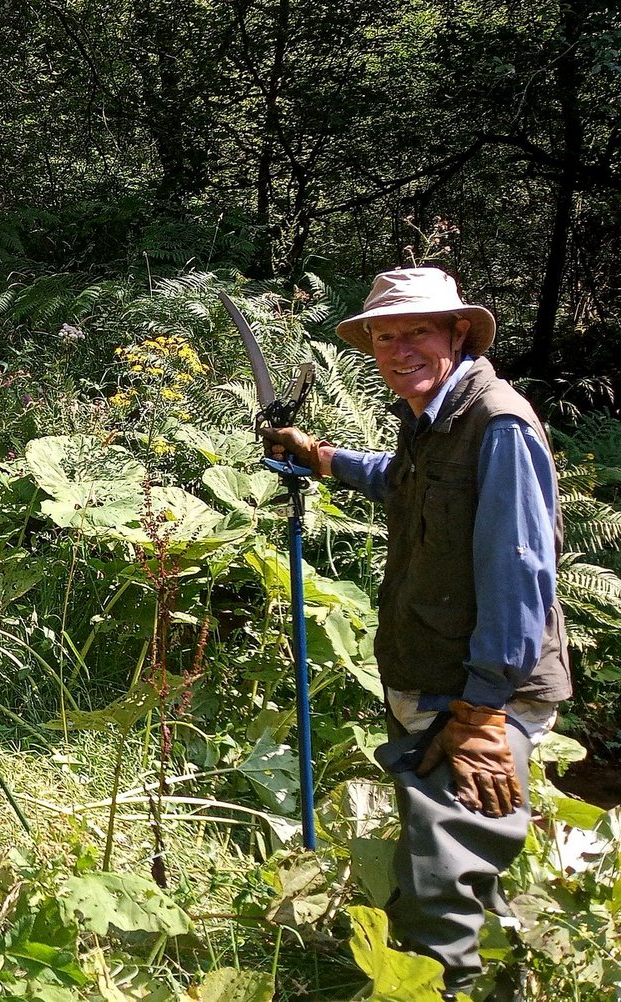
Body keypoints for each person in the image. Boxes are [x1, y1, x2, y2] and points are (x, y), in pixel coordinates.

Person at [260, 267, 570, 999]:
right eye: (384, 336)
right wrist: (323, 458)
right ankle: (499, 982)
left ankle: (443, 989)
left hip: (475, 695)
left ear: (458, 332)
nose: (398, 350)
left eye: (417, 332)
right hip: (439, 678)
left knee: (442, 882)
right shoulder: (439, 418)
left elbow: (520, 570)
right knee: (456, 868)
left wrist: (482, 712)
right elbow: (405, 480)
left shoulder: (497, 424)